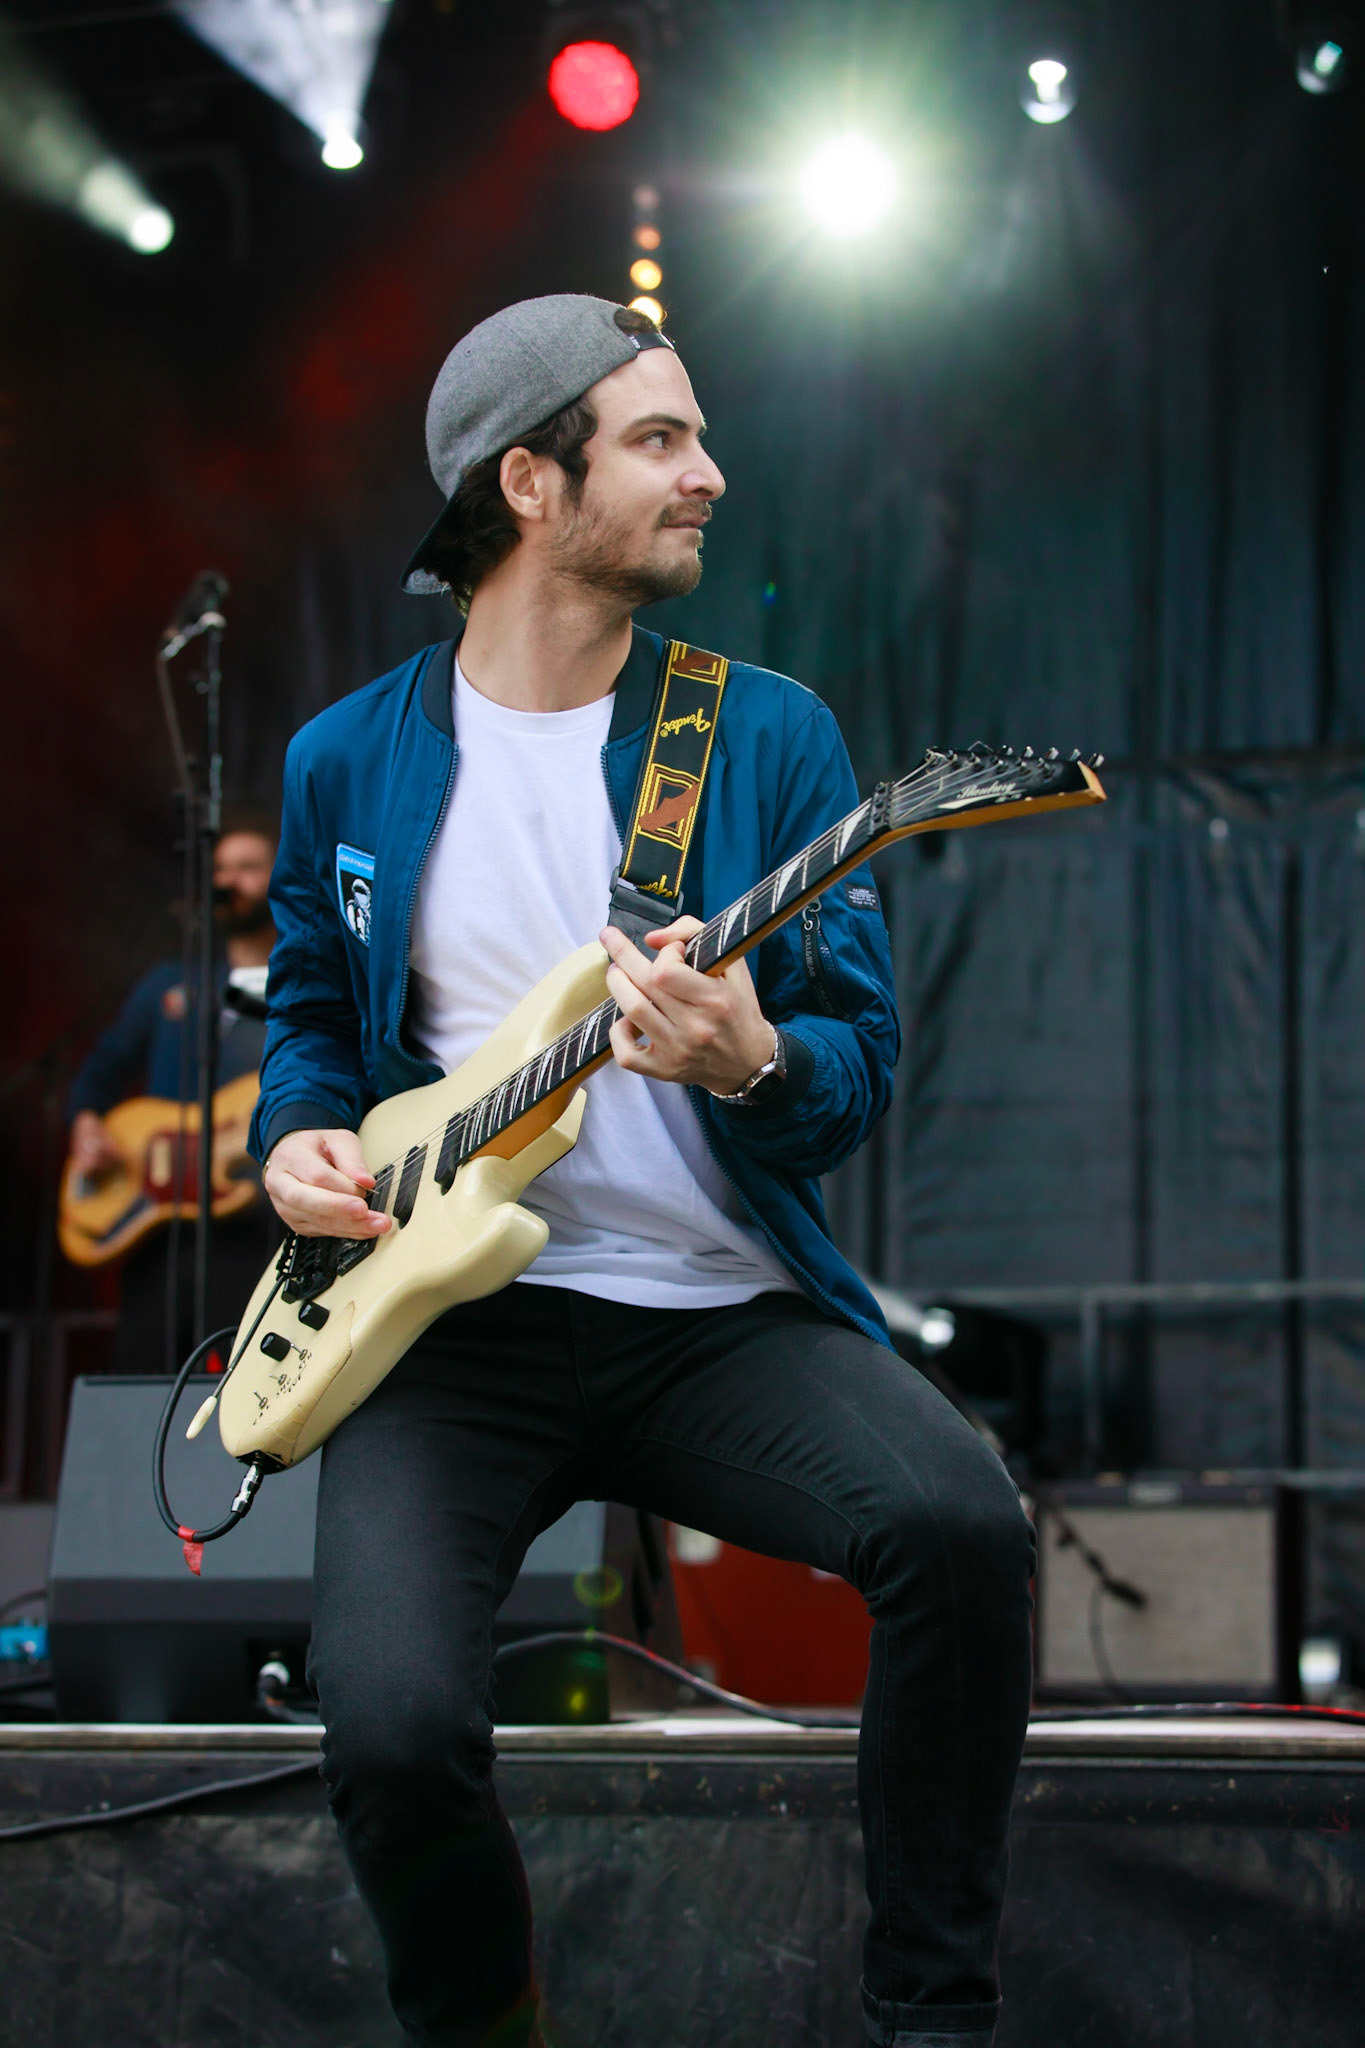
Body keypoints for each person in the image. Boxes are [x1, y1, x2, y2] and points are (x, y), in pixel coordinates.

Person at [251, 296, 1034, 2048]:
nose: (711, 473)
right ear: (531, 482)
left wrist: (751, 1056)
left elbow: (856, 1067)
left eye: (698, 435)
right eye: (661, 440)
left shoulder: (762, 737)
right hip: (452, 1330)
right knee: (385, 1730)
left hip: (713, 1316)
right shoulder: (342, 763)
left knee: (962, 1530)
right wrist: (292, 1135)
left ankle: (934, 2015)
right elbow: (312, 1018)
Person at [67, 815, 281, 1371]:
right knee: (141, 1370)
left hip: (252, 1225)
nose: (230, 879)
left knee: (240, 1372)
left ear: (281, 878)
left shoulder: (303, 988)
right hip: (158, 1226)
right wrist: (87, 1123)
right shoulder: (170, 983)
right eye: (221, 869)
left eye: (248, 867)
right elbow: (101, 1070)